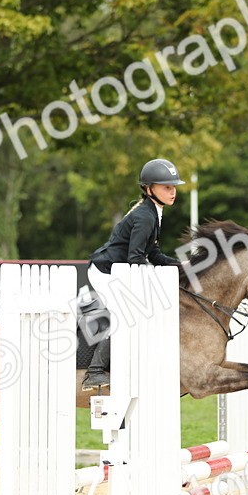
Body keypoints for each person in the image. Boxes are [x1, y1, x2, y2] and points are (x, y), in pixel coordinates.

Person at [80, 158, 185, 390]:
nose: (172, 191)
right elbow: (135, 258)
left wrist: (181, 267)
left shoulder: (154, 212)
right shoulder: (145, 216)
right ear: (149, 189)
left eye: (173, 186)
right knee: (122, 314)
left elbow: (154, 254)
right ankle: (94, 372)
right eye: (166, 187)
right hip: (105, 271)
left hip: (119, 269)